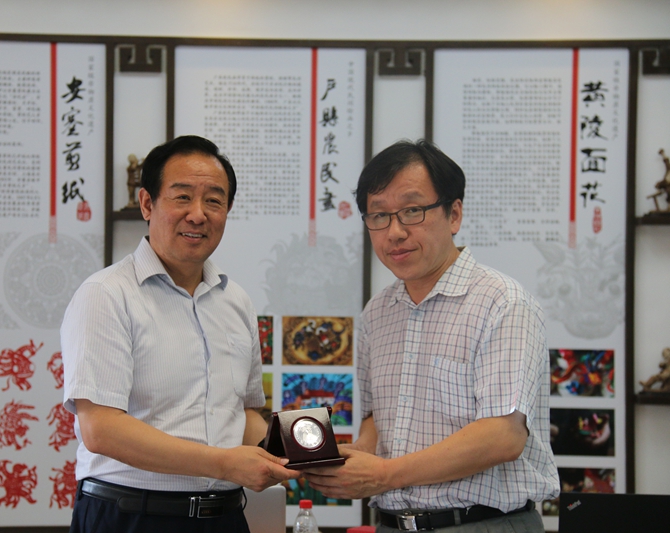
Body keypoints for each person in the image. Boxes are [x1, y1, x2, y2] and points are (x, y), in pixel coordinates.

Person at [303, 139, 560, 532]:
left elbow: (503, 436)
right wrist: (354, 458)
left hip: (482, 524)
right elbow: (376, 419)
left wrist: (383, 474)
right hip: (392, 523)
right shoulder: (377, 313)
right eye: (379, 215)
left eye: (412, 211)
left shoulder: (502, 302)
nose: (394, 232)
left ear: (454, 214)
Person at [61, 135, 300, 533]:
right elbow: (101, 429)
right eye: (182, 197)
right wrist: (224, 463)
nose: (198, 214)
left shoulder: (236, 301)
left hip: (224, 518)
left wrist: (301, 451)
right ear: (147, 204)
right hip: (131, 517)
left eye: (214, 201)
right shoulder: (106, 294)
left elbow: (241, 414)